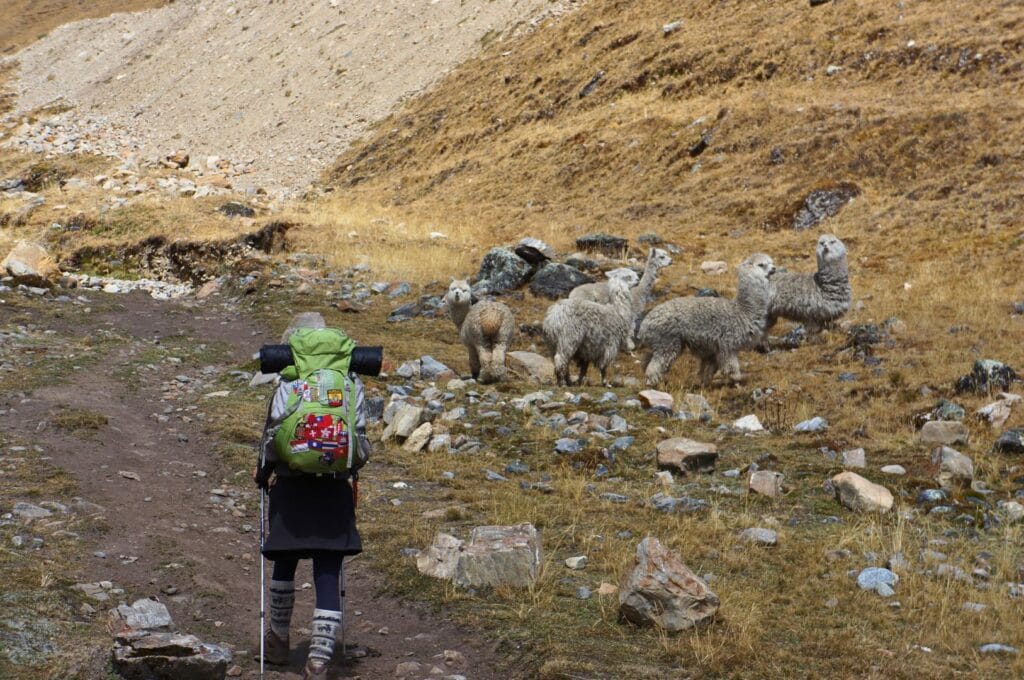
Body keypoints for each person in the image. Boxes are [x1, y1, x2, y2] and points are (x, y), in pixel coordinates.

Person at [254, 328, 371, 680]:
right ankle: (319, 660)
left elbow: (273, 437)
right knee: (327, 573)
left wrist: (263, 474)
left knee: (284, 564)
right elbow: (360, 444)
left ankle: (277, 642)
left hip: (290, 487)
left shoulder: (289, 384)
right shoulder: (350, 387)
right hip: (333, 490)